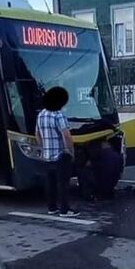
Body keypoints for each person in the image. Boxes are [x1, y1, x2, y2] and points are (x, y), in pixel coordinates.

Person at [35, 86, 79, 217]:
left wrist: (43, 147)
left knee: (50, 183)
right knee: (63, 183)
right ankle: (65, 210)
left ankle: (52, 207)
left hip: (47, 155)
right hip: (60, 155)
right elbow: (66, 135)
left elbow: (37, 134)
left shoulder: (41, 115)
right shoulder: (58, 115)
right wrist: (70, 151)